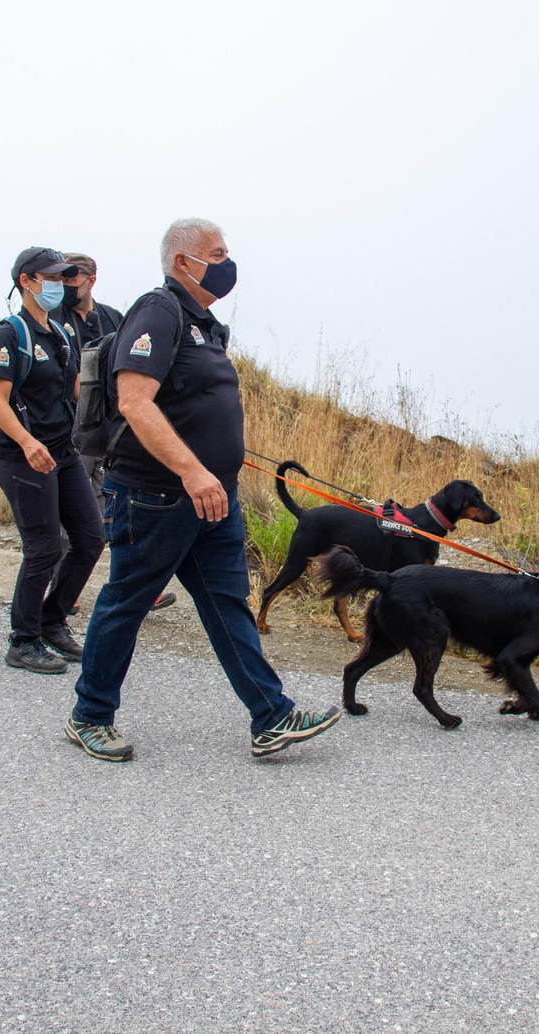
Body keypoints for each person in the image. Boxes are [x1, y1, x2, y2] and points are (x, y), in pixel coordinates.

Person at [64, 218, 340, 762]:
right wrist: (192, 470)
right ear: (184, 262)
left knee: (226, 603)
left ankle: (271, 715)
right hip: (156, 496)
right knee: (128, 601)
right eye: (217, 252)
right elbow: (134, 402)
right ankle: (89, 716)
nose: (227, 261)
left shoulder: (208, 325)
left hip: (214, 498)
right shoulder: (159, 310)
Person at [0, 247, 103, 673]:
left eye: (62, 276)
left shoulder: (60, 332)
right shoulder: (10, 334)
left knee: (90, 540)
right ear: (26, 281)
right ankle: (23, 640)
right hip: (23, 457)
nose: (58, 284)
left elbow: (73, 388)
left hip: (63, 452)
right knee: (43, 549)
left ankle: (52, 622)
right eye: (50, 276)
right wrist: (27, 442)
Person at [52, 251, 175, 614]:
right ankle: (64, 590)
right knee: (72, 514)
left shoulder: (114, 318)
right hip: (71, 431)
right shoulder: (53, 320)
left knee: (120, 510)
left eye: (71, 278)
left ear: (91, 279)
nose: (63, 286)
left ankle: (138, 588)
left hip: (112, 429)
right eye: (59, 279)